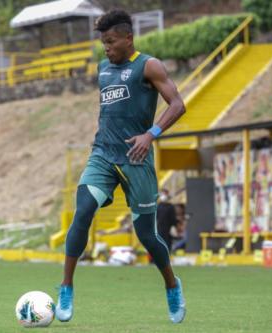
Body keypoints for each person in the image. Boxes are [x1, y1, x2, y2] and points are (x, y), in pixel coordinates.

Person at [55, 9, 187, 324]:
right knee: (83, 211)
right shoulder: (103, 68)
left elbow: (179, 104)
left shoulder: (149, 66)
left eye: (111, 41)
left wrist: (150, 134)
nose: (107, 48)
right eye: (103, 42)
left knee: (147, 235)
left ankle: (171, 284)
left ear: (128, 38)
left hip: (136, 159)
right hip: (102, 154)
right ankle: (66, 286)